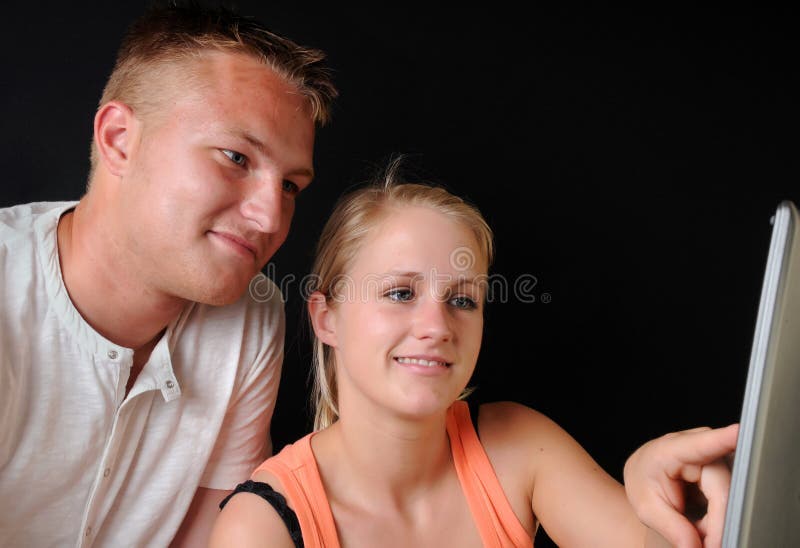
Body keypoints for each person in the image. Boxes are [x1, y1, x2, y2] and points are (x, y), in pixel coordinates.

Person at [210, 162, 739, 548]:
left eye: (462, 300)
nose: (437, 327)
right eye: (400, 293)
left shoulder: (518, 446)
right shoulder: (261, 527)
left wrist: (668, 495)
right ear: (327, 318)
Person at [0, 3, 336, 547]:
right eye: (235, 156)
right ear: (119, 139)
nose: (271, 219)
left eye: (291, 186)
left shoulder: (253, 314)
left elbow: (211, 533)